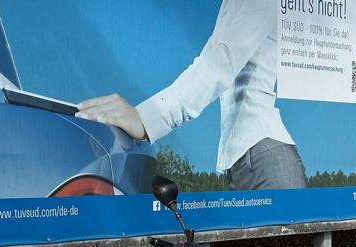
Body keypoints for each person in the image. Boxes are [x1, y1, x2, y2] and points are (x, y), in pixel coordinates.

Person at [75, 0, 306, 191]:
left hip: (265, 159)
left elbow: (218, 64)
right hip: (247, 160)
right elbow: (210, 60)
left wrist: (146, 118)